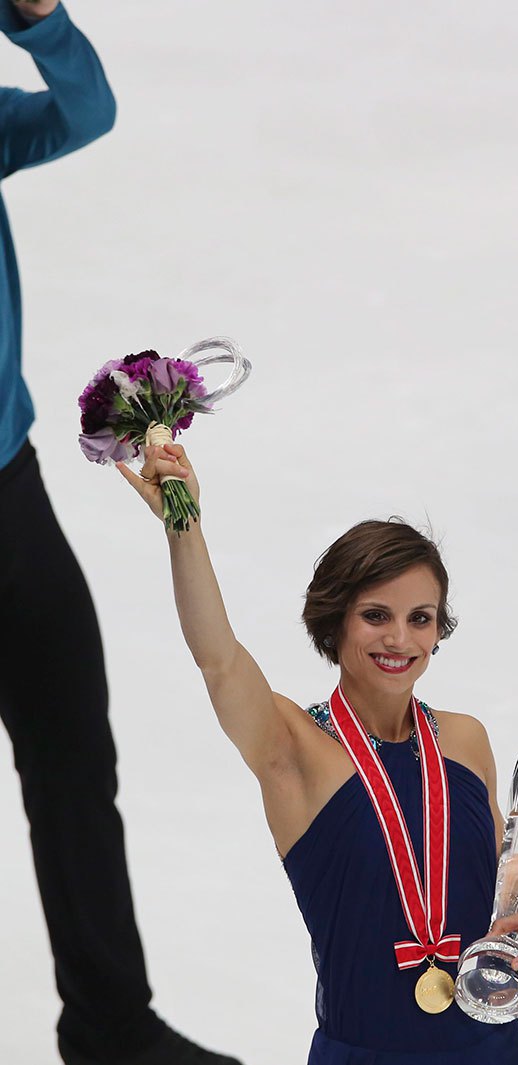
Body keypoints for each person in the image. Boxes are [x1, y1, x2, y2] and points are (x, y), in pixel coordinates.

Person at [118, 441, 518, 1064]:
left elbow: (509, 886)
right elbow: (219, 660)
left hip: (491, 1049)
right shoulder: (295, 750)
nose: (399, 638)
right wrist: (183, 525)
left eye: (421, 618)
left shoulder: (466, 741)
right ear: (335, 622)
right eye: (375, 615)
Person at [0, 4, 242, 1063]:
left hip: (9, 493)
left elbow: (84, 112)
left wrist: (42, 20)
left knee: (71, 749)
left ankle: (109, 1025)